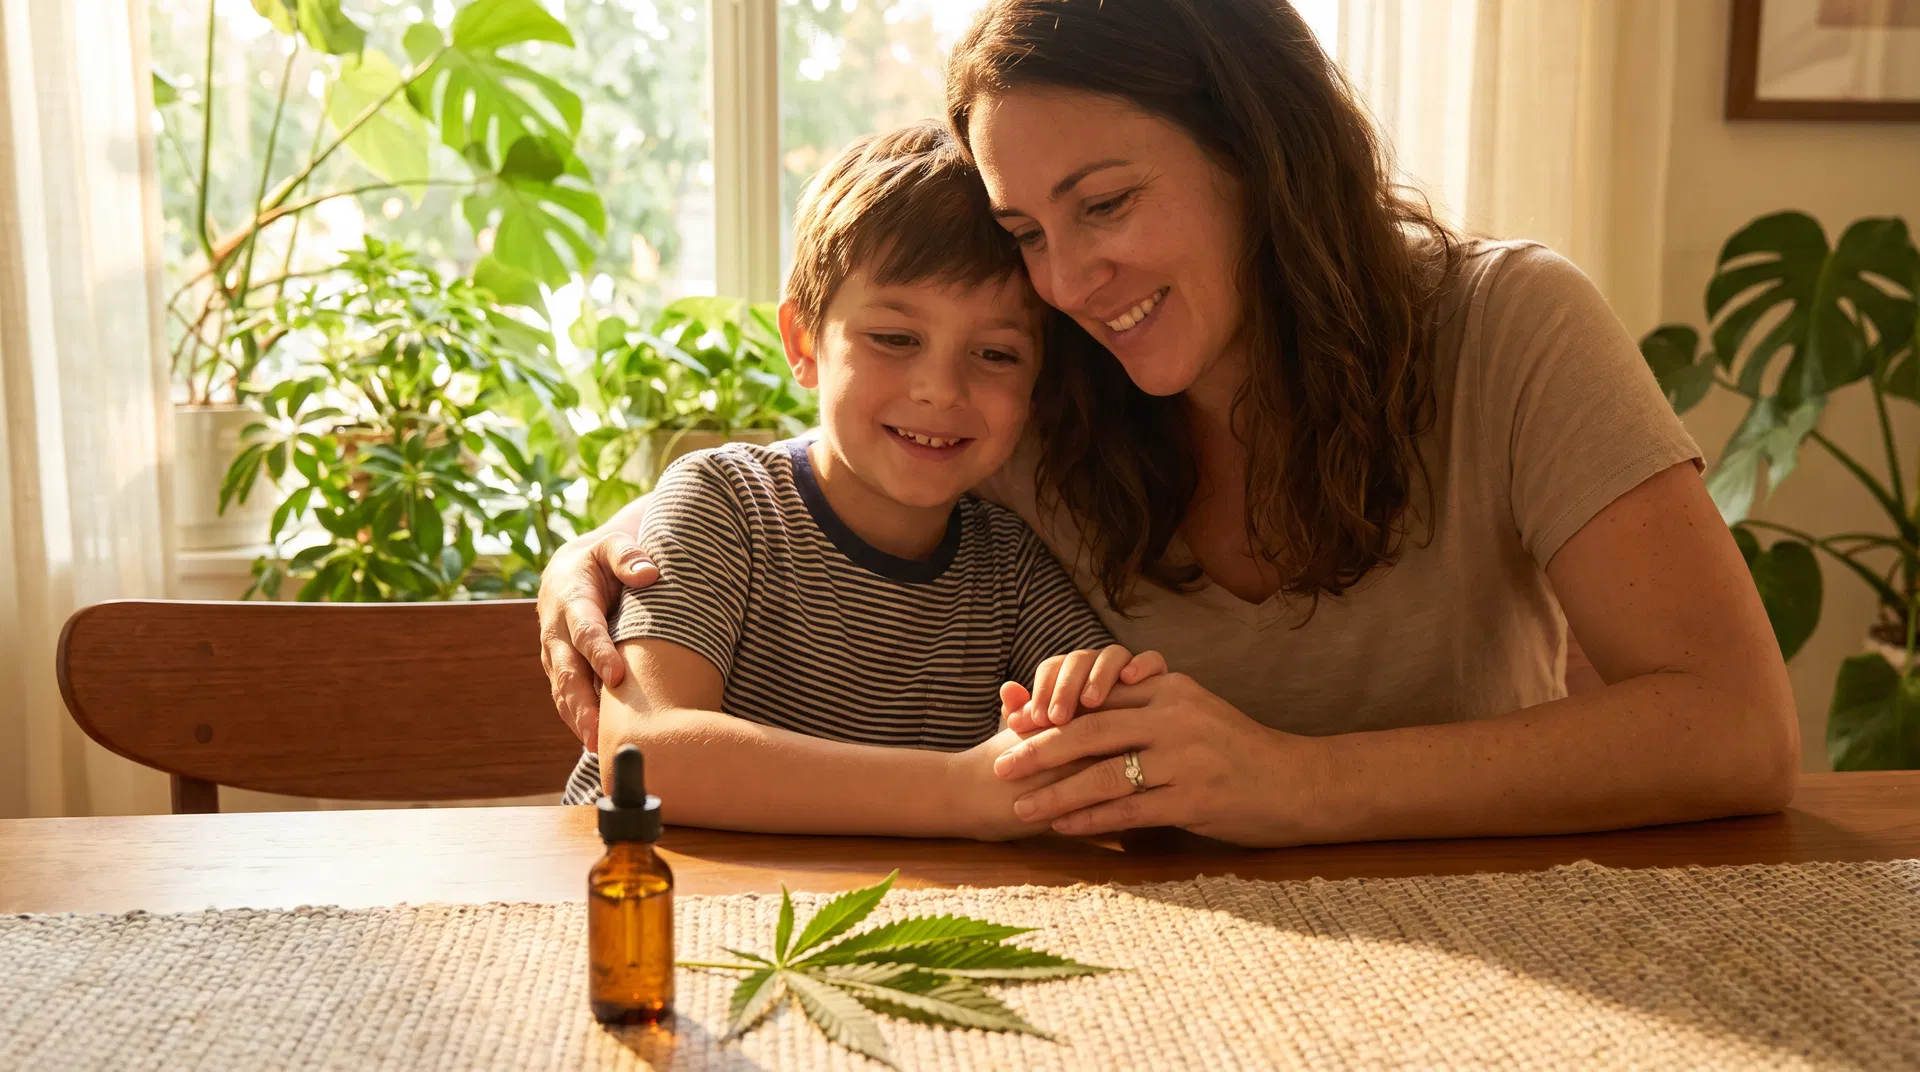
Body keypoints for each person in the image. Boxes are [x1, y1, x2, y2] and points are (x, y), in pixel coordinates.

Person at [539, 0, 1798, 848]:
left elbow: (1737, 728)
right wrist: (604, 550)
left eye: (1106, 202)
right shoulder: (1036, 386)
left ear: (1259, 151)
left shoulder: (1510, 324)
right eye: (1027, 230)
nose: (1067, 282)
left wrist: (1295, 782)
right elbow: (835, 463)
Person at [560, 120, 1164, 838]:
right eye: (895, 339)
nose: (941, 390)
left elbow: (1120, 743)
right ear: (803, 342)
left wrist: (1082, 714)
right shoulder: (723, 504)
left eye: (996, 355)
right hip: (644, 909)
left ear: (1039, 381)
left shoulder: (1015, 568)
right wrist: (960, 792)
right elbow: (646, 755)